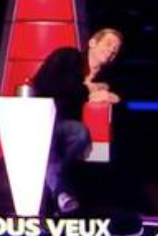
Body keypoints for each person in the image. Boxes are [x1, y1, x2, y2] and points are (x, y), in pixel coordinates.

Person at [33, 28, 122, 214]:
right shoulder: (67, 57)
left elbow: (123, 100)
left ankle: (60, 189)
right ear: (92, 43)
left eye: (115, 50)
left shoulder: (106, 79)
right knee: (53, 136)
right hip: (41, 119)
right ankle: (62, 193)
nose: (111, 50)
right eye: (108, 44)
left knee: (80, 133)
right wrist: (87, 90)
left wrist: (114, 97)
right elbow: (43, 85)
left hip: (67, 126)